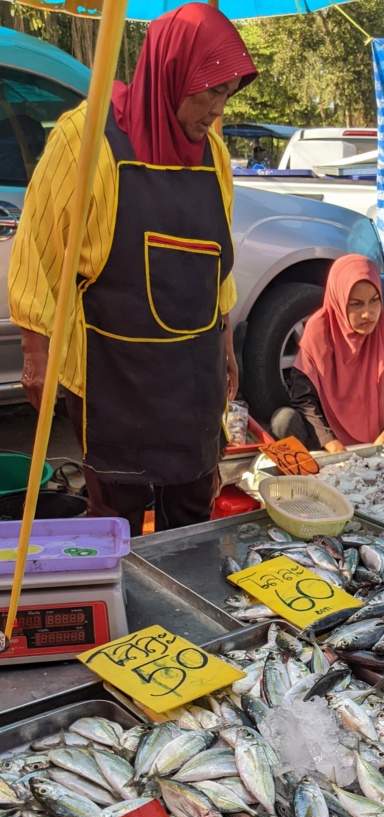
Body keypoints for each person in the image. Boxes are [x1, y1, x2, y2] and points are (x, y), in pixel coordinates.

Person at [9, 4, 257, 536]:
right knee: (115, 513)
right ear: (170, 73)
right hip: (112, 371)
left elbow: (219, 260)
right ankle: (121, 613)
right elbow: (38, 247)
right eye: (209, 91)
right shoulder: (87, 136)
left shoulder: (212, 152)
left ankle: (184, 610)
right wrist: (35, 349)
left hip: (192, 372)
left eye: (227, 93)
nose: (217, 110)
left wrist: (226, 343)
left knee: (192, 506)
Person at [270, 254, 384, 459]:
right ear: (339, 301)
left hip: (376, 441)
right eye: (356, 304)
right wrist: (331, 444)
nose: (368, 313)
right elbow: (303, 398)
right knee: (283, 421)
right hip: (325, 444)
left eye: (374, 301)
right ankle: (314, 484)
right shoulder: (319, 329)